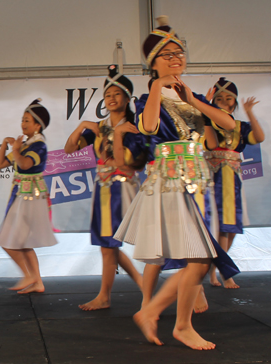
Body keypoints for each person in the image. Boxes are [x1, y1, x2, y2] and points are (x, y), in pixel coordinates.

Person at [114, 16, 240, 350]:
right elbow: (151, 127)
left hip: (195, 180)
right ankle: (170, 319)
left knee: (198, 258)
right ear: (153, 62)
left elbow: (228, 124)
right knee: (198, 257)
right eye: (167, 54)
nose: (176, 58)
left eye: (179, 52)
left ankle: (168, 318)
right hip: (169, 181)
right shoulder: (145, 99)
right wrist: (158, 83)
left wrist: (195, 101)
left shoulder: (192, 94)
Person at [64, 65, 146, 311]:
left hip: (123, 190)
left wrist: (119, 136)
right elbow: (70, 149)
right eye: (108, 94)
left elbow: (125, 163)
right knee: (107, 244)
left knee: (140, 242)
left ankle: (177, 288)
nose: (111, 98)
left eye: (116, 94)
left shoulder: (134, 127)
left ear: (127, 98)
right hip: (104, 190)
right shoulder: (99, 127)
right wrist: (81, 127)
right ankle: (113, 294)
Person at [205, 77, 265, 288]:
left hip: (233, 179)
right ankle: (224, 273)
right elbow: (210, 145)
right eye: (219, 98)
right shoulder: (208, 123)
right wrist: (205, 109)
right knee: (221, 226)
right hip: (214, 179)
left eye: (228, 98)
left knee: (231, 228)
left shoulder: (241, 127)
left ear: (234, 102)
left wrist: (249, 112)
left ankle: (216, 269)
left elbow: (259, 137)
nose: (223, 101)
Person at [0, 99, 58, 294]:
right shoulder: (27, 144)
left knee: (8, 240)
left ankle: (29, 275)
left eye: (27, 120)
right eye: (22, 119)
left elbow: (25, 165)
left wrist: (15, 149)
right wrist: (5, 144)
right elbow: (0, 165)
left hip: (30, 196)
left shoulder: (38, 145)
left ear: (38, 125)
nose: (23, 124)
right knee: (22, 242)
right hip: (23, 196)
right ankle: (37, 282)